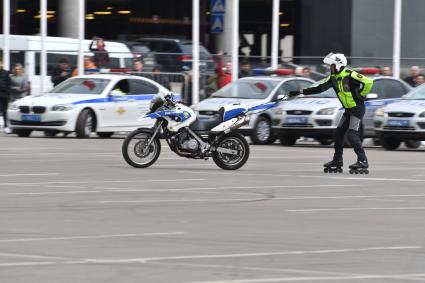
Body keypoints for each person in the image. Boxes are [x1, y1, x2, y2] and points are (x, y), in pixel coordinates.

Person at [289, 52, 373, 172]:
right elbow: (318, 88)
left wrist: (361, 95)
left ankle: (363, 161)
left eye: (332, 66)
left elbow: (369, 82)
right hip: (348, 110)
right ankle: (337, 160)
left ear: (339, 65)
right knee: (338, 133)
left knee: (352, 134)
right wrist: (299, 92)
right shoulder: (333, 78)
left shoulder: (350, 74)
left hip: (357, 109)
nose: (330, 68)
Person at [0, 58, 12, 134]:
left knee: (4, 112)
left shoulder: (6, 73)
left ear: (2, 64)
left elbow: (9, 84)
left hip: (4, 94)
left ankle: (6, 127)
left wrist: (8, 93)